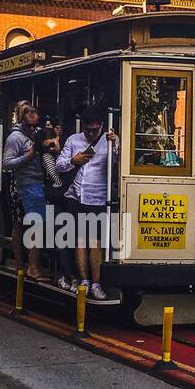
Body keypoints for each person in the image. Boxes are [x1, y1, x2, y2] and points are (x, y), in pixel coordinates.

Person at [57, 105, 119, 301]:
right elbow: (59, 164)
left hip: (99, 197)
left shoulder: (108, 140)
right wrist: (73, 161)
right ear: (82, 127)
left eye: (95, 130)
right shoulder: (73, 140)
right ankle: (84, 280)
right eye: (88, 130)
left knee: (96, 243)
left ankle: (96, 283)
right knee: (80, 241)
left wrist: (115, 144)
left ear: (101, 126)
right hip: (76, 196)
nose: (92, 134)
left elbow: (120, 163)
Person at [2, 103, 45, 279]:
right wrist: (28, 156)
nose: (33, 114)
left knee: (27, 224)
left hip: (39, 183)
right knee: (33, 225)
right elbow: (6, 163)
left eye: (34, 111)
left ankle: (25, 265)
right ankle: (28, 266)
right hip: (24, 185)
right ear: (21, 116)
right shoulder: (15, 138)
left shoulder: (39, 132)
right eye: (27, 112)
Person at [35, 125, 79, 289]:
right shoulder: (48, 157)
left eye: (52, 143)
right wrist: (73, 164)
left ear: (57, 138)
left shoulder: (67, 148)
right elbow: (58, 179)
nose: (51, 148)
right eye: (47, 146)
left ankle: (67, 275)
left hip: (69, 199)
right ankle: (67, 275)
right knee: (63, 238)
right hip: (57, 200)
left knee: (71, 238)